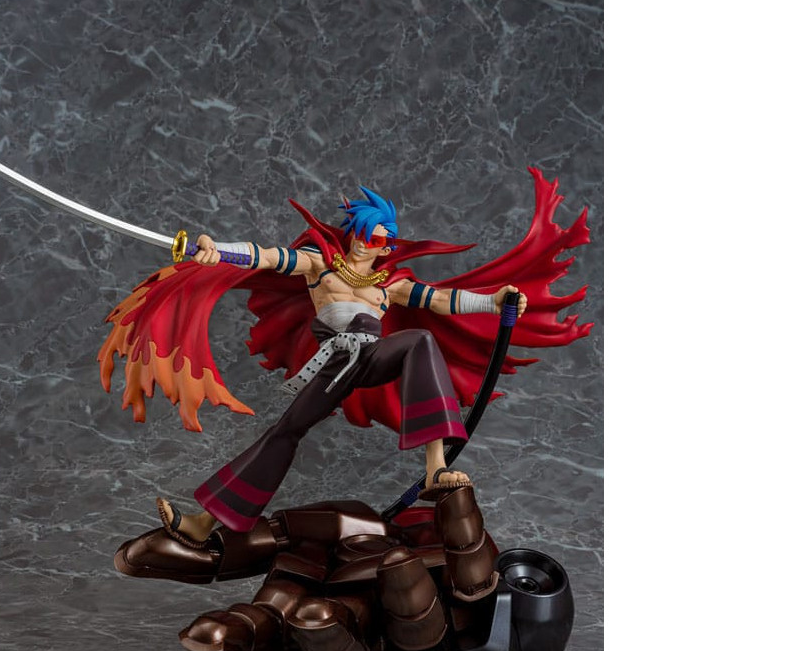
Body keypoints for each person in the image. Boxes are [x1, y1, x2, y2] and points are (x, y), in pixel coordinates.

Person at [154, 187, 527, 549]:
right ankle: (203, 523)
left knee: (420, 340)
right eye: (360, 233)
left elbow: (441, 300)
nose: (364, 244)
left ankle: (435, 467)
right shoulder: (321, 266)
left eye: (375, 240)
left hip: (373, 356)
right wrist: (218, 250)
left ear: (387, 247)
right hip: (334, 364)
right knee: (284, 433)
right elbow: (266, 257)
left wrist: (491, 303)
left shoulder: (390, 286)